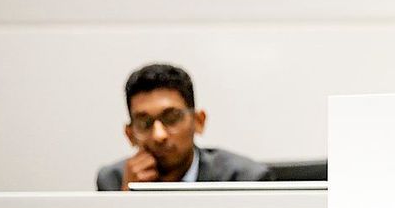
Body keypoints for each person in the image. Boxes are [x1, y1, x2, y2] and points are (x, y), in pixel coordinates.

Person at [96, 63, 274, 190]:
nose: (159, 135)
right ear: (130, 134)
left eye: (172, 118)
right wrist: (126, 203)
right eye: (144, 123)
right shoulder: (114, 181)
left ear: (199, 121)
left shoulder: (245, 180)